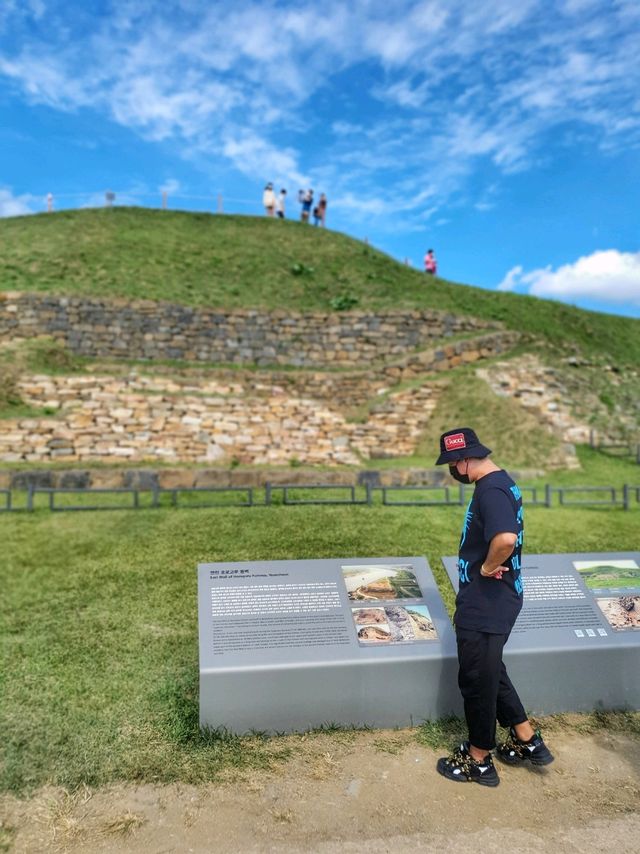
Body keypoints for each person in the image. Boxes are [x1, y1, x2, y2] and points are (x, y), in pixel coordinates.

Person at [434, 427, 554, 787]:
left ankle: (478, 759)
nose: (452, 470)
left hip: (487, 601)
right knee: (491, 670)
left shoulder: (490, 490)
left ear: (464, 460)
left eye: (453, 463)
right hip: (498, 599)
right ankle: (526, 738)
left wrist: (486, 568)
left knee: (477, 679)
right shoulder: (500, 483)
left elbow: (504, 538)